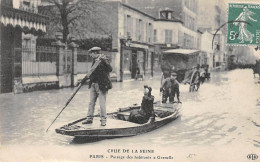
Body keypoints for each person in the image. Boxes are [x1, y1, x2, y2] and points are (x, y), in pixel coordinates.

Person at [82, 47, 113, 126]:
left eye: (91, 54)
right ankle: (89, 119)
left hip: (102, 85)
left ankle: (103, 120)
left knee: (102, 103)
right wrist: (85, 79)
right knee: (91, 103)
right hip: (93, 84)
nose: (90, 56)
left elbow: (110, 69)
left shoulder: (104, 59)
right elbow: (92, 72)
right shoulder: (94, 60)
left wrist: (104, 61)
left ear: (95, 53)